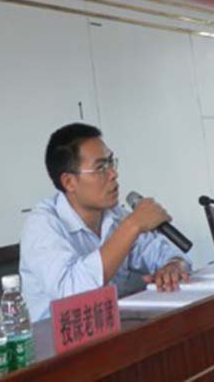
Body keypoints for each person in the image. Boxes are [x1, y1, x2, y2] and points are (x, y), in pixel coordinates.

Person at [20, 122, 193, 322]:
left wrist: (173, 266)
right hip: (56, 338)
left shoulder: (114, 215)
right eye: (101, 167)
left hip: (115, 328)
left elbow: (169, 255)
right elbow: (72, 294)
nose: (113, 173)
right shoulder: (42, 225)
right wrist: (132, 226)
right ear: (69, 182)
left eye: (111, 162)